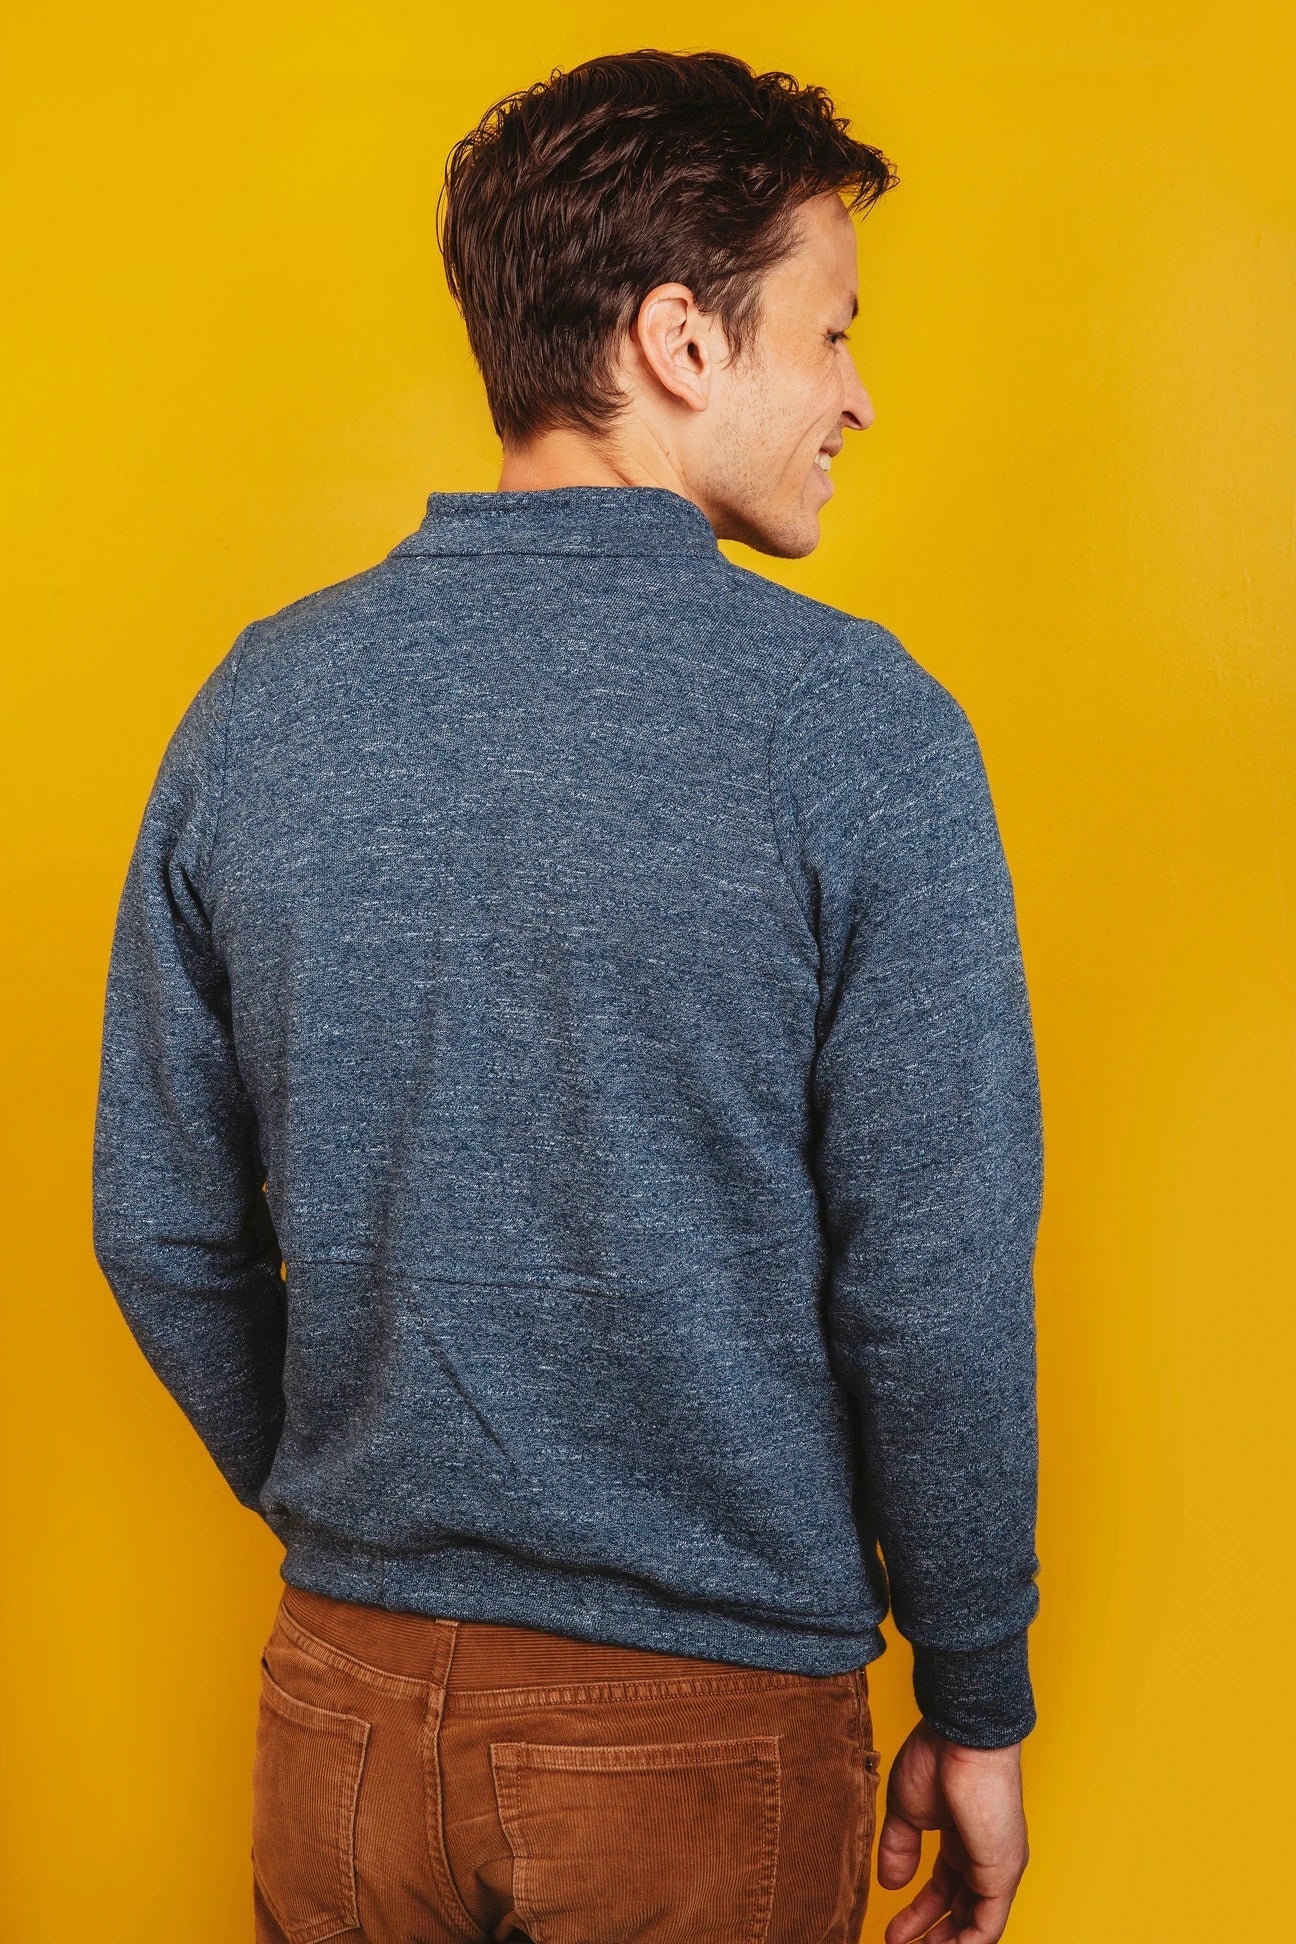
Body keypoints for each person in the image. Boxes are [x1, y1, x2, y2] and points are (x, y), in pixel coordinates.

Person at [92, 47, 1044, 1944]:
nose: (858, 394)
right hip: (703, 1735)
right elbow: (935, 1280)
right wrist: (976, 1696)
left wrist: (363, 1509)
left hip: (343, 1715)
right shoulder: (856, 728)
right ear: (681, 341)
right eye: (833, 332)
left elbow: (157, 1224)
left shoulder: (260, 706)